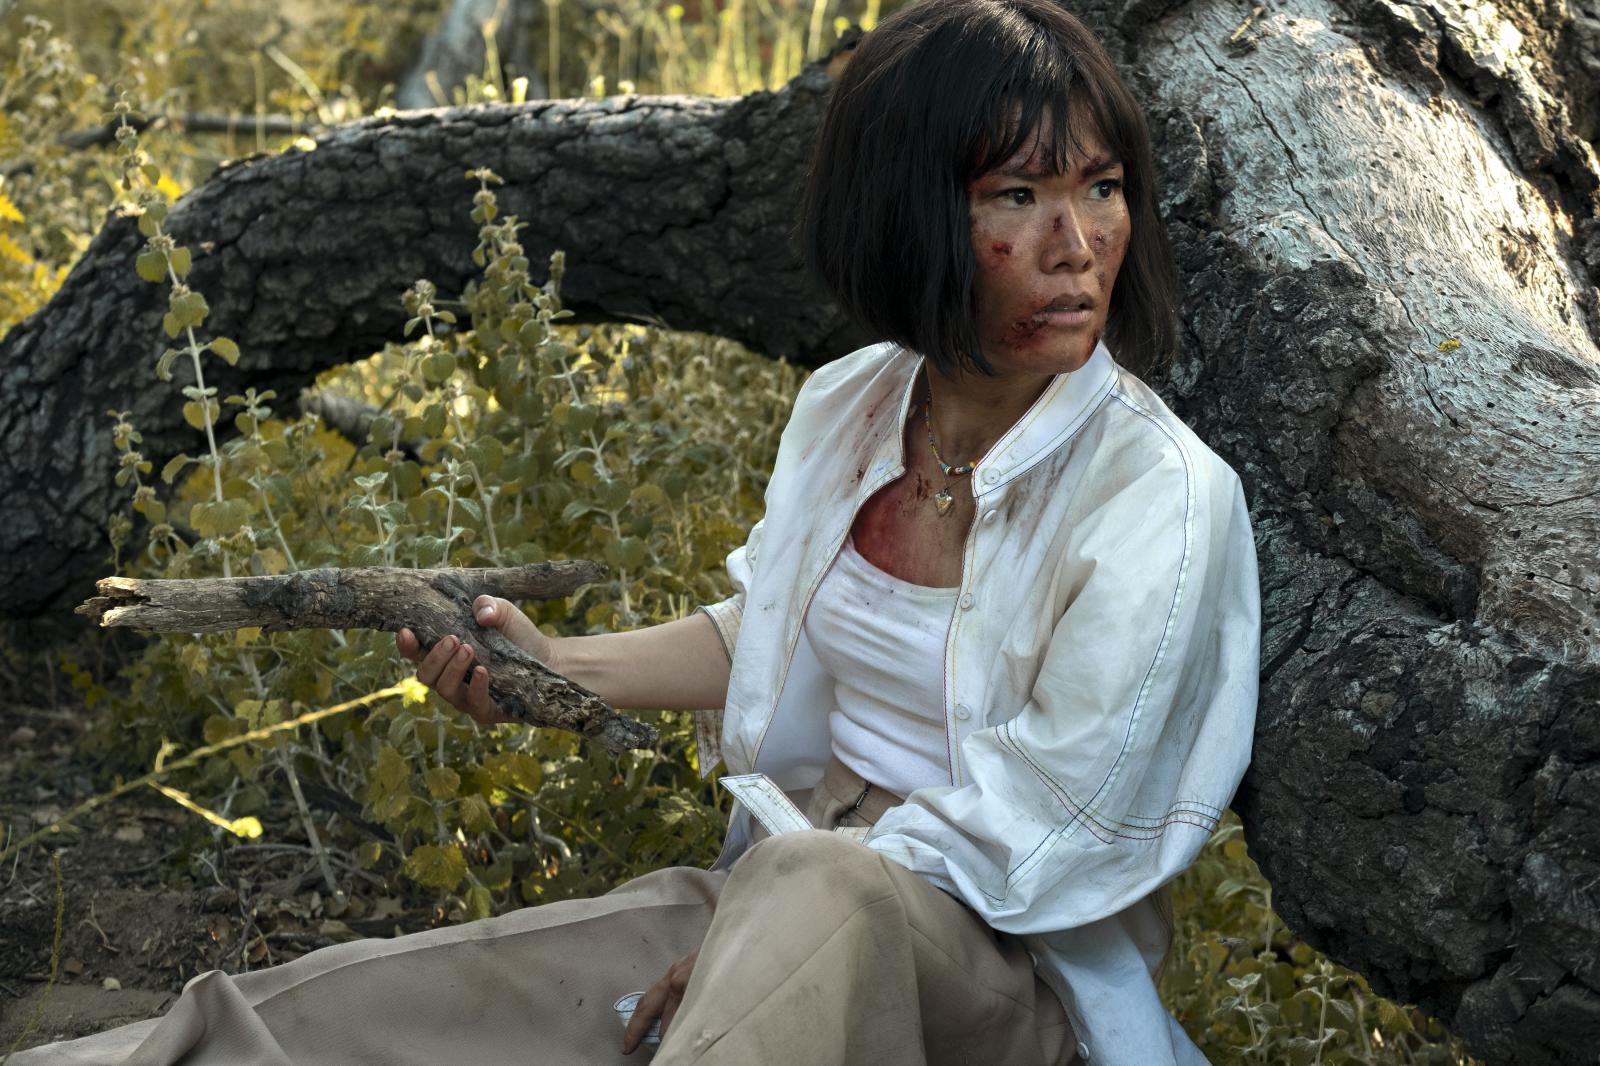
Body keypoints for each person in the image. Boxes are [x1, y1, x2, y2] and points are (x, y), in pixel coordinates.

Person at [13, 1, 1258, 1063]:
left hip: (1003, 978)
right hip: (774, 886)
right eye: (1018, 195)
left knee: (809, 893)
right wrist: (552, 666)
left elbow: (1044, 829)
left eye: (1101, 188)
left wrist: (773, 934)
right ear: (909, 213)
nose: (1078, 244)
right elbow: (774, 623)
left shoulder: (1159, 497)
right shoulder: (855, 405)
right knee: (359, 1010)